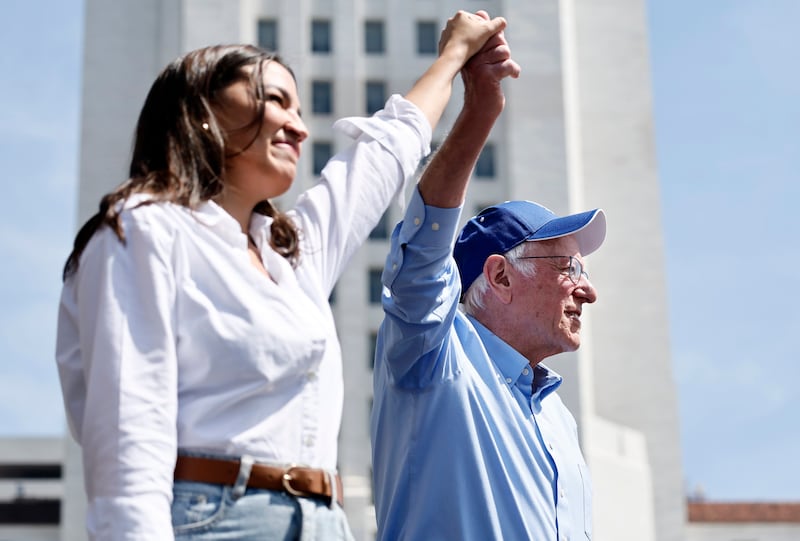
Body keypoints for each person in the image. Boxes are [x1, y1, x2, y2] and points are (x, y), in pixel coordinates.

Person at [55, 11, 507, 540]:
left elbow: (386, 151)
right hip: (214, 521)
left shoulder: (291, 255)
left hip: (322, 522)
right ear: (202, 112)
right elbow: (128, 437)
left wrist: (454, 60)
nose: (298, 125)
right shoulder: (144, 231)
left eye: (298, 106)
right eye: (273, 100)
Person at [369, 22, 606, 540]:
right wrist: (480, 110)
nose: (586, 290)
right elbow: (421, 255)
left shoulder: (559, 421)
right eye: (567, 267)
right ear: (499, 275)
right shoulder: (432, 359)